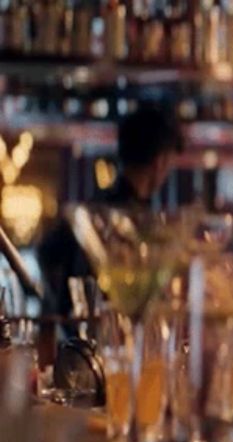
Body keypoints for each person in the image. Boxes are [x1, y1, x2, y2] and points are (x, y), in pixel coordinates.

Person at [38, 105, 184, 317]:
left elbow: (46, 252)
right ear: (160, 161)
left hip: (86, 338)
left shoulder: (96, 205)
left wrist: (62, 311)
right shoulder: (133, 220)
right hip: (105, 337)